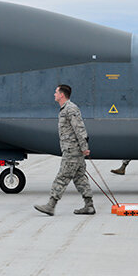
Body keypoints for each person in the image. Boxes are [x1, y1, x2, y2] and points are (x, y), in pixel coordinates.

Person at [34, 84, 95, 216]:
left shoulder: (70, 109)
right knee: (79, 177)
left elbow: (79, 129)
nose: (54, 94)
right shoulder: (65, 109)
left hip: (72, 151)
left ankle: (51, 205)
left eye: (56, 92)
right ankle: (89, 205)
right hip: (73, 149)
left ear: (62, 95)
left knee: (63, 176)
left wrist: (84, 148)